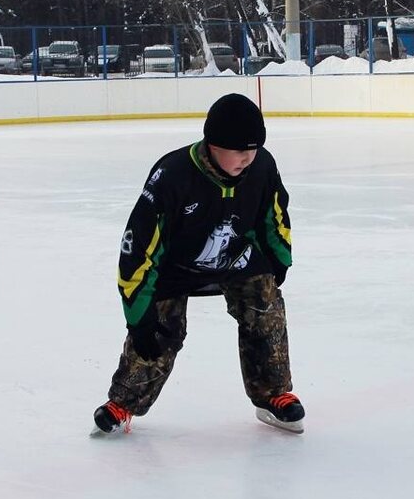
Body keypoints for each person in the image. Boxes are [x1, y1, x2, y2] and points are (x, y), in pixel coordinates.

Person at [92, 93, 304, 435]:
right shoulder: (172, 175)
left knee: (265, 305)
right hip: (175, 267)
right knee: (158, 330)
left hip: (236, 256)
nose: (248, 158)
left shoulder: (262, 166)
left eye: (254, 149)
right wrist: (138, 316)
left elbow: (275, 213)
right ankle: (123, 402)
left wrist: (279, 259)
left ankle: (273, 394)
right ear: (213, 144)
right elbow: (139, 247)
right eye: (239, 150)